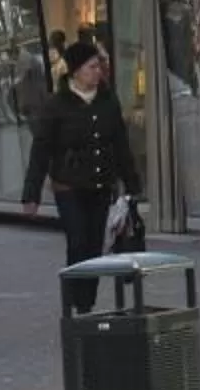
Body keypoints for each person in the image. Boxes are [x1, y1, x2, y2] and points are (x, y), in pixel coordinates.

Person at [21, 38, 136, 314]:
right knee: (77, 241)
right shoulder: (57, 105)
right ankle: (78, 301)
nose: (98, 72)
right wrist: (31, 194)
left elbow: (120, 144)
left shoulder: (108, 100)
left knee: (94, 244)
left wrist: (132, 183)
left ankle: (86, 302)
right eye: (91, 67)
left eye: (98, 66)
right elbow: (41, 150)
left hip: (100, 184)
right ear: (75, 71)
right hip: (69, 186)